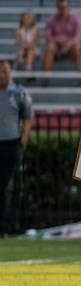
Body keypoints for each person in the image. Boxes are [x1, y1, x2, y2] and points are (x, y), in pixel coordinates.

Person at [0, 61, 31, 234]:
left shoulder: (18, 93)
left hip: (10, 144)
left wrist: (23, 141)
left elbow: (26, 118)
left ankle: (8, 225)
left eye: (6, 70)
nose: (3, 74)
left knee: (8, 187)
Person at [42, 0, 81, 72]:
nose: (63, 10)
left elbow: (78, 35)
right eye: (60, 8)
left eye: (64, 8)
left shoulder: (76, 18)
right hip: (57, 46)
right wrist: (60, 41)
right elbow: (48, 36)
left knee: (78, 47)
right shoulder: (51, 19)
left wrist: (68, 43)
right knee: (50, 47)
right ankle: (47, 78)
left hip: (71, 46)